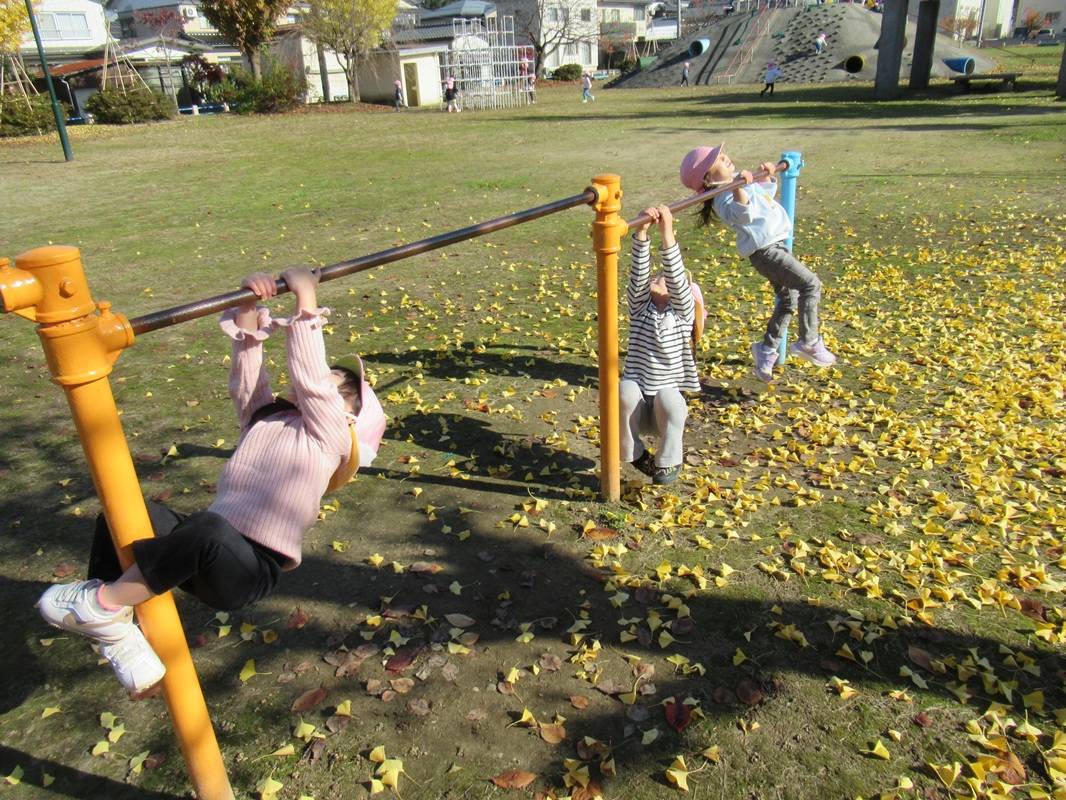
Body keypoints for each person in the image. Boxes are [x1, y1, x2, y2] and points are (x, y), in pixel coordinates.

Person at [36, 267, 387, 692]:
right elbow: (248, 382)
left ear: (348, 416)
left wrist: (306, 302)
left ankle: (101, 604)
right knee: (127, 517)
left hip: (247, 569)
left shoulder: (329, 438)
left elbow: (311, 381)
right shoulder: (268, 419)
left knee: (208, 530)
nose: (327, 375)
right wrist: (246, 310)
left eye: (340, 383)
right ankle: (118, 627)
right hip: (201, 550)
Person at [680, 143, 836, 383]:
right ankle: (809, 341)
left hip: (775, 246)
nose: (727, 158)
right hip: (766, 251)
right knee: (810, 285)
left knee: (788, 300)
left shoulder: (736, 183)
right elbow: (745, 215)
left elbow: (763, 198)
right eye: (719, 160)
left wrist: (766, 177)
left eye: (723, 154)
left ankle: (766, 349)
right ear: (708, 178)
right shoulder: (722, 197)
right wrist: (740, 187)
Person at [620, 205, 701, 486]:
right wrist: (642, 234)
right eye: (657, 277)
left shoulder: (682, 315)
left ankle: (667, 462)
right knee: (623, 390)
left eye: (663, 278)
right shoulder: (640, 309)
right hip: (639, 406)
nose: (659, 278)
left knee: (672, 401)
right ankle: (634, 452)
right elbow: (639, 277)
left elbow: (678, 279)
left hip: (663, 411)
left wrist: (667, 233)